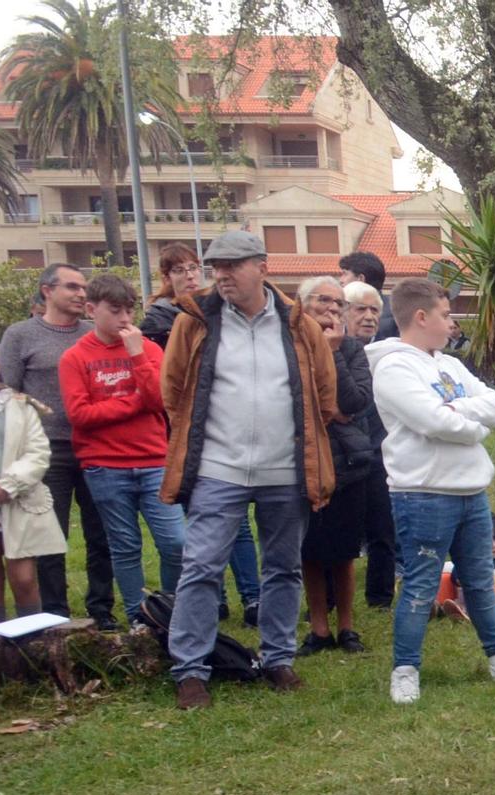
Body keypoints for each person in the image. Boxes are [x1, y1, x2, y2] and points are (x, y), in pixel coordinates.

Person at [160, 229, 339, 710]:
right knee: (200, 566)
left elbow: (325, 394)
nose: (221, 276)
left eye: (231, 266)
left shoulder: (298, 323)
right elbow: (173, 391)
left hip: (286, 470)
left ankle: (278, 659)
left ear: (261, 267)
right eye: (215, 267)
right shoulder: (194, 323)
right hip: (218, 470)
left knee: (282, 569)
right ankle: (191, 671)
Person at [369, 277, 495, 703]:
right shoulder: (393, 367)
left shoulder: (448, 365)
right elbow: (432, 422)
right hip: (423, 494)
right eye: (446, 315)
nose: (452, 324)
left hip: (471, 493)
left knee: (480, 581)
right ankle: (405, 670)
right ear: (421, 316)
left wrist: (458, 411)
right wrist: (472, 427)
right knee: (421, 585)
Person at [140, 242, 261, 625]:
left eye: (195, 268)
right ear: (167, 277)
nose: (190, 275)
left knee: (239, 523)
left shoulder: (221, 311)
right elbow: (169, 385)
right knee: (202, 524)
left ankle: (253, 596)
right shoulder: (159, 321)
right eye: (180, 270)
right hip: (188, 435)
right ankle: (214, 599)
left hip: (229, 431)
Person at [58, 274, 183, 621]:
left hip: (155, 460)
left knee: (176, 543)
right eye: (115, 311)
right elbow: (81, 415)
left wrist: (137, 356)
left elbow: (159, 400)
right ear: (91, 310)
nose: (125, 320)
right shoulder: (75, 358)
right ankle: (138, 617)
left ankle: (169, 610)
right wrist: (134, 402)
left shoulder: (149, 349)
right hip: (105, 466)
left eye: (129, 311)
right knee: (124, 547)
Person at [0, 264, 115, 629]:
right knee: (49, 536)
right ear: (47, 290)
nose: (82, 294)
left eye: (84, 288)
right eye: (72, 287)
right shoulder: (20, 335)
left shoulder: (93, 334)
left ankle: (101, 611)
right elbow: (13, 395)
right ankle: (54, 615)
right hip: (47, 450)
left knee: (102, 533)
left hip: (96, 446)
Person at [296, 276, 374, 656]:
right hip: (305, 459)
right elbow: (300, 401)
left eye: (338, 303)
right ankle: (319, 628)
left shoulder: (353, 349)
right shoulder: (290, 345)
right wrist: (331, 412)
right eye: (322, 300)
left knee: (345, 550)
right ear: (303, 305)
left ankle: (346, 627)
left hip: (349, 461)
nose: (331, 308)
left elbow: (355, 401)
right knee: (310, 549)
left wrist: (335, 353)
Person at [341, 281, 397, 610]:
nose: (368, 316)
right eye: (360, 309)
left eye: (374, 309)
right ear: (344, 311)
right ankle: (331, 600)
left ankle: (380, 597)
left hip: (379, 452)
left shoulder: (391, 354)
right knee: (338, 534)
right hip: (341, 454)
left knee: (382, 529)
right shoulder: (329, 351)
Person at [0, 377, 64, 619]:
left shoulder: (20, 405)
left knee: (24, 579)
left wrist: (7, 486)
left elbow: (38, 453)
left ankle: (31, 647)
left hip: (17, 500)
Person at [337, 250, 398, 341]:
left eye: (345, 274)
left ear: (360, 279)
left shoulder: (390, 322)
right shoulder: (397, 309)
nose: (341, 280)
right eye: (361, 309)